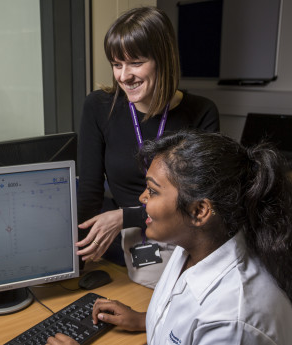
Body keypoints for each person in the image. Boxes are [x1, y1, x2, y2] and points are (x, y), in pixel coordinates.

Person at [48, 130, 292, 345]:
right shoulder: (194, 246)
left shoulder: (232, 323)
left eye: (153, 191)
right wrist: (145, 320)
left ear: (199, 211)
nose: (142, 199)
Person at [76, 6, 219, 288]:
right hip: (132, 245)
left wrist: (125, 216)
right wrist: (74, 263)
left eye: (136, 63)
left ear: (163, 60)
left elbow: (201, 202)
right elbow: (89, 193)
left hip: (188, 246)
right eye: (117, 64)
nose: (124, 76)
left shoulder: (201, 112)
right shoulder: (98, 107)